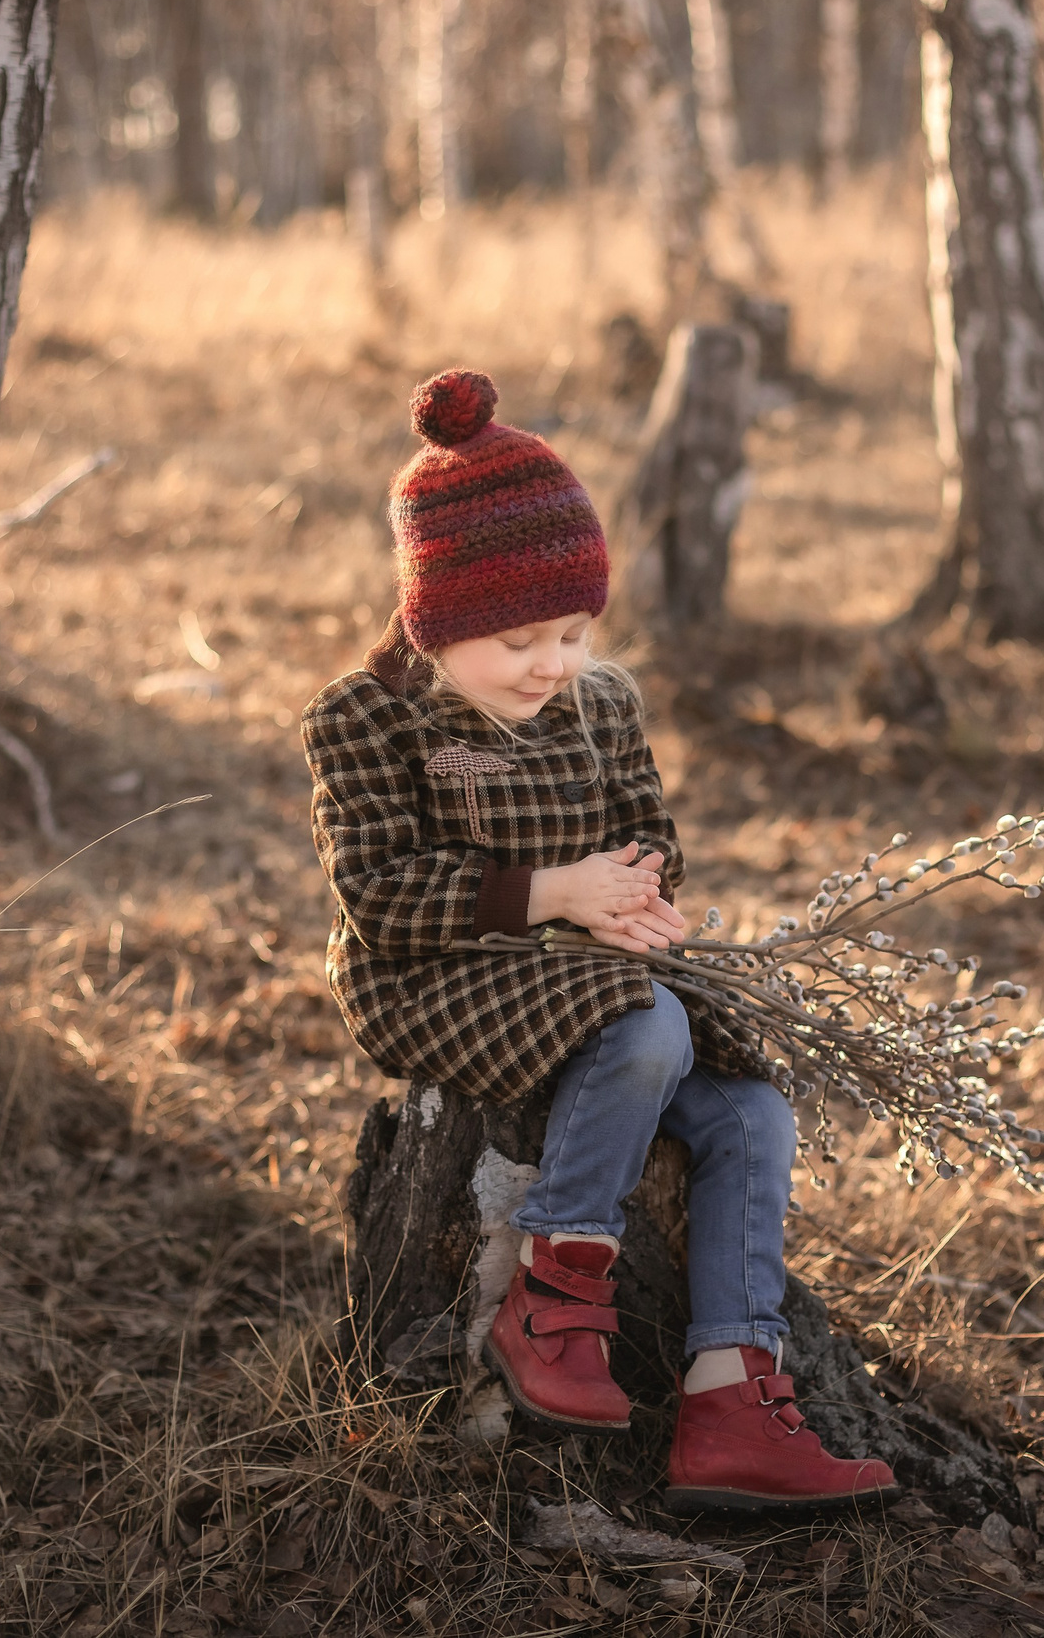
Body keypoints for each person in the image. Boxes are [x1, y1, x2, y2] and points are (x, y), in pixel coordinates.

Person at [300, 369, 895, 1514]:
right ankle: (556, 1291)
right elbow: (379, 891)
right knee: (645, 1021)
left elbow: (647, 828)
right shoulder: (366, 717)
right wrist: (560, 892)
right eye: (519, 638)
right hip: (440, 974)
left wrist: (638, 893)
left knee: (747, 1109)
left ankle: (731, 1389)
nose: (551, 663)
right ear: (437, 622)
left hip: (587, 960)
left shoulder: (603, 701)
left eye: (573, 631)